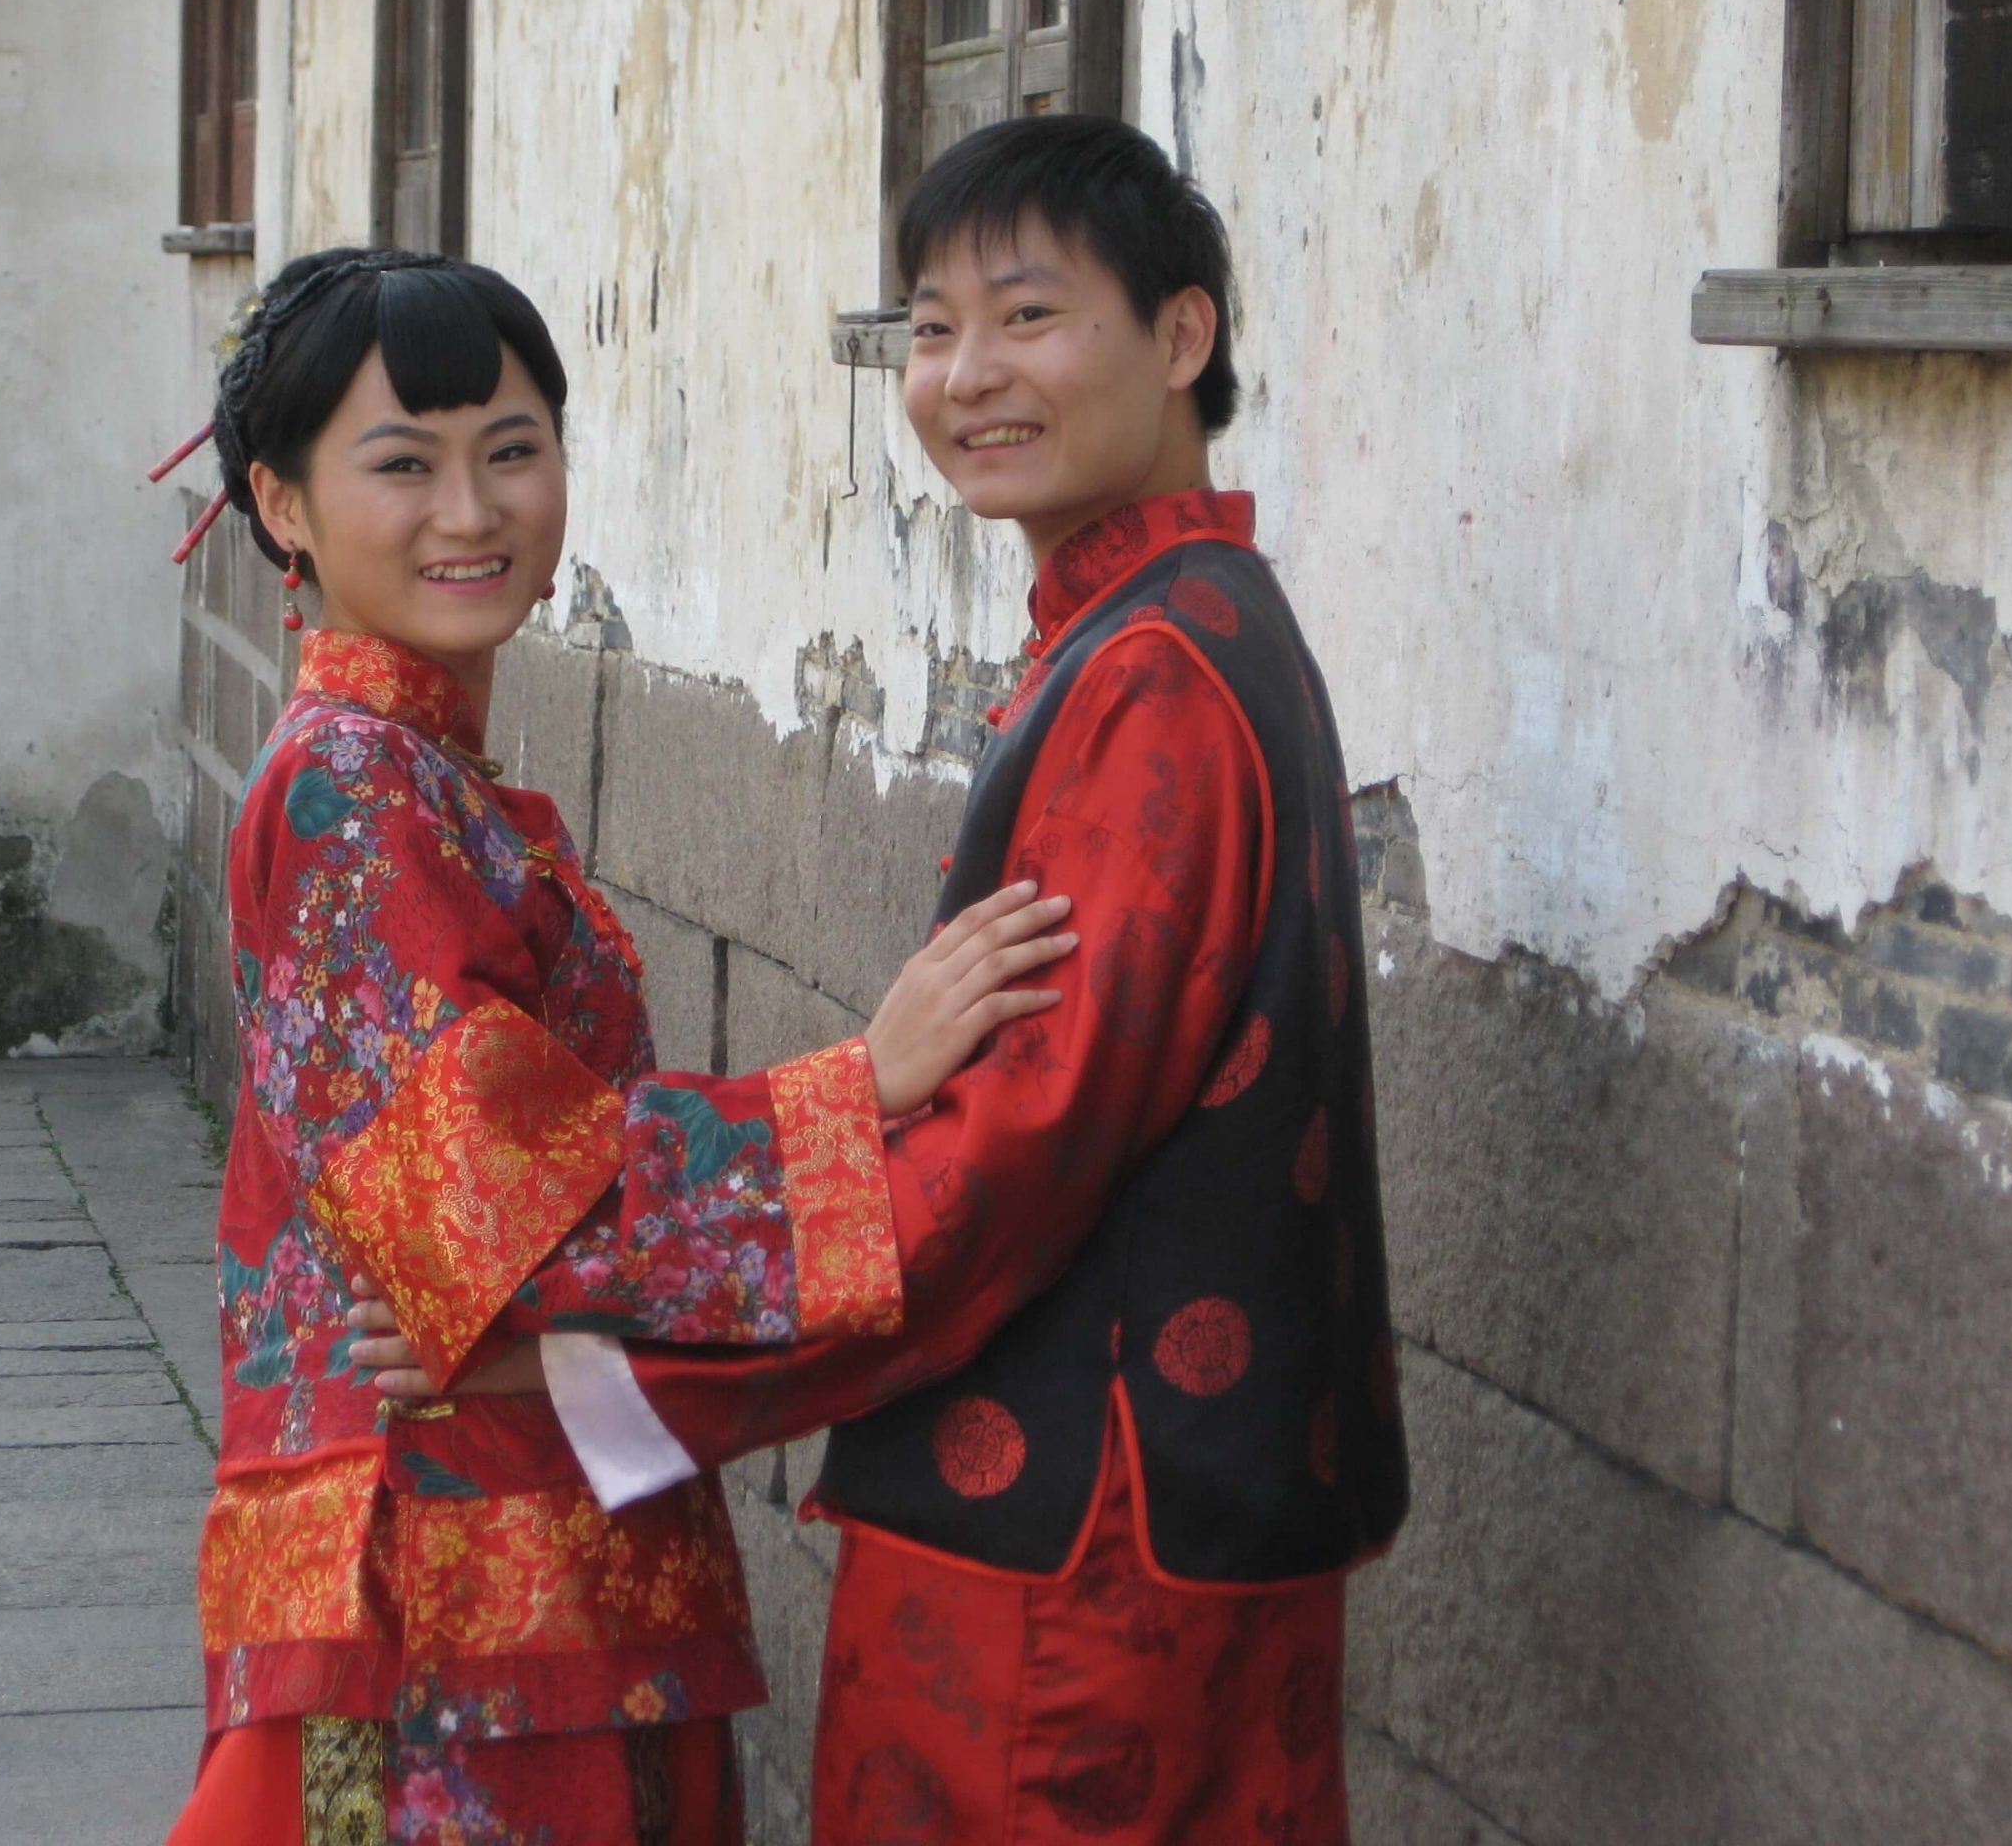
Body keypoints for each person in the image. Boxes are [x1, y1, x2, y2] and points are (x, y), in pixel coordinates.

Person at [356, 115, 1412, 1842]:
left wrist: (599, 1367)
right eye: (930, 328)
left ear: (1183, 338)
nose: (967, 376)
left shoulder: (1157, 674)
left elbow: (1009, 1155)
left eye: (1027, 317)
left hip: (1078, 1546)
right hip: (1177, 1515)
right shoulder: (1189, 622)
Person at [163, 247, 1075, 1845]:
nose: (472, 511)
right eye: (404, 465)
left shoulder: (418, 771)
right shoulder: (350, 792)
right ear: (284, 505)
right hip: (442, 1588)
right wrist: (861, 1087)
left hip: (524, 1545)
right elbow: (495, 1206)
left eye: (512, 452)